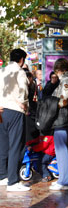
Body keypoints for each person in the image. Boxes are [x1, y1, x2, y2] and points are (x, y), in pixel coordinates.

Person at [0, 48, 30, 192]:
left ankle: (3, 177)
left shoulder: (2, 71)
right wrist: (24, 106)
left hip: (1, 110)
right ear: (22, 59)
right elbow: (23, 91)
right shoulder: (20, 72)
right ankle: (13, 181)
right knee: (16, 145)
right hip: (15, 111)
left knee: (3, 145)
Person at [49, 58, 68, 191]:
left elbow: (64, 100)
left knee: (61, 149)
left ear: (59, 70)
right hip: (64, 117)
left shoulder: (66, 81)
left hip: (61, 117)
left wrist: (52, 107)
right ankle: (63, 178)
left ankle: (64, 181)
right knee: (63, 148)